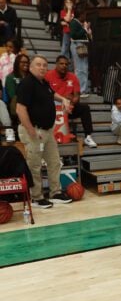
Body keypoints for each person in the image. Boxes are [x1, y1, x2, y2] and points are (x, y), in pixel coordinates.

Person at [16, 55, 73, 208]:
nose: (42, 67)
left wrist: (64, 99)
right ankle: (36, 197)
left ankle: (55, 193)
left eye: (44, 65)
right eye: (38, 64)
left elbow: (52, 94)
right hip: (34, 130)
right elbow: (20, 109)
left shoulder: (44, 83)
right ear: (31, 67)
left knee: (54, 162)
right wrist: (31, 130)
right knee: (34, 165)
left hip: (47, 131)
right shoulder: (27, 83)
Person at [45, 55, 97, 147]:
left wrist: (71, 102)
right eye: (61, 63)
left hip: (68, 108)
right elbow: (45, 94)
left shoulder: (73, 77)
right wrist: (63, 98)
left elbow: (77, 96)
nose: (64, 66)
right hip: (53, 108)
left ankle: (88, 136)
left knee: (85, 108)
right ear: (56, 64)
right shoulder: (48, 75)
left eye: (66, 64)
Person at [70, 6, 92, 97]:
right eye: (84, 15)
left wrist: (86, 29)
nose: (85, 17)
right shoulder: (74, 23)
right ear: (80, 15)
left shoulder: (79, 23)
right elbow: (74, 35)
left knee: (83, 68)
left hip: (81, 45)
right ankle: (80, 90)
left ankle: (83, 89)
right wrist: (85, 29)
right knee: (80, 68)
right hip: (78, 45)